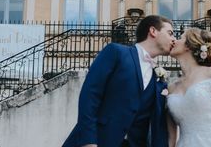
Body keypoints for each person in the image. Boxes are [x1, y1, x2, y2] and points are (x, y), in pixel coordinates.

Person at [62, 15, 176, 147]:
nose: (174, 39)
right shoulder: (116, 52)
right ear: (153, 31)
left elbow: (156, 122)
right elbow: (90, 95)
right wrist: (88, 140)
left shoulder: (159, 79)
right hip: (98, 140)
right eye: (170, 33)